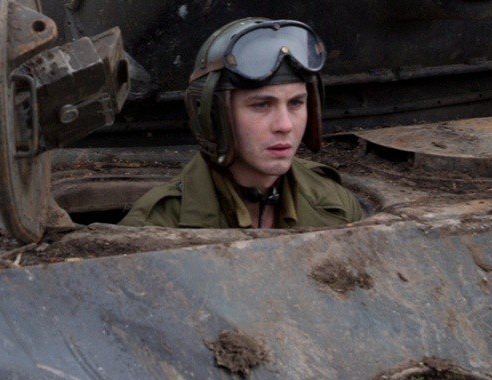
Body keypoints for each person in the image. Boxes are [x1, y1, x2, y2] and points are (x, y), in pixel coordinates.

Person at [122, 18, 362, 230]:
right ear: (214, 115)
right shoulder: (157, 227)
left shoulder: (337, 208)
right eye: (261, 105)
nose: (285, 125)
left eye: (296, 103)